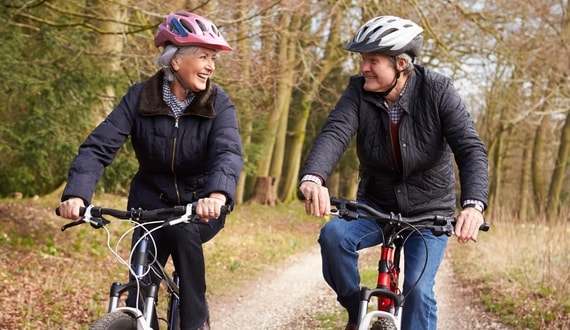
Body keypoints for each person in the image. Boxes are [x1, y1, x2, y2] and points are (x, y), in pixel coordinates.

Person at [298, 15, 488, 330]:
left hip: (429, 216)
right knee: (333, 237)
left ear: (400, 64)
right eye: (362, 60)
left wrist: (473, 204)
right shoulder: (358, 91)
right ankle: (355, 312)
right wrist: (313, 178)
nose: (363, 68)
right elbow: (334, 133)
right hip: (375, 207)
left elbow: (470, 149)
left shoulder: (438, 90)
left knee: (417, 290)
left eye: (372, 61)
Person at [58, 11, 243, 330]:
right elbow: (98, 146)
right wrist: (77, 194)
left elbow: (227, 151)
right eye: (203, 56)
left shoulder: (218, 103)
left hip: (199, 205)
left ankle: (196, 322)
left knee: (185, 234)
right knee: (141, 286)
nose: (211, 66)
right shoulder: (139, 97)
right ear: (175, 61)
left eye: (212, 58)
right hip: (149, 203)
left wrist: (216, 193)